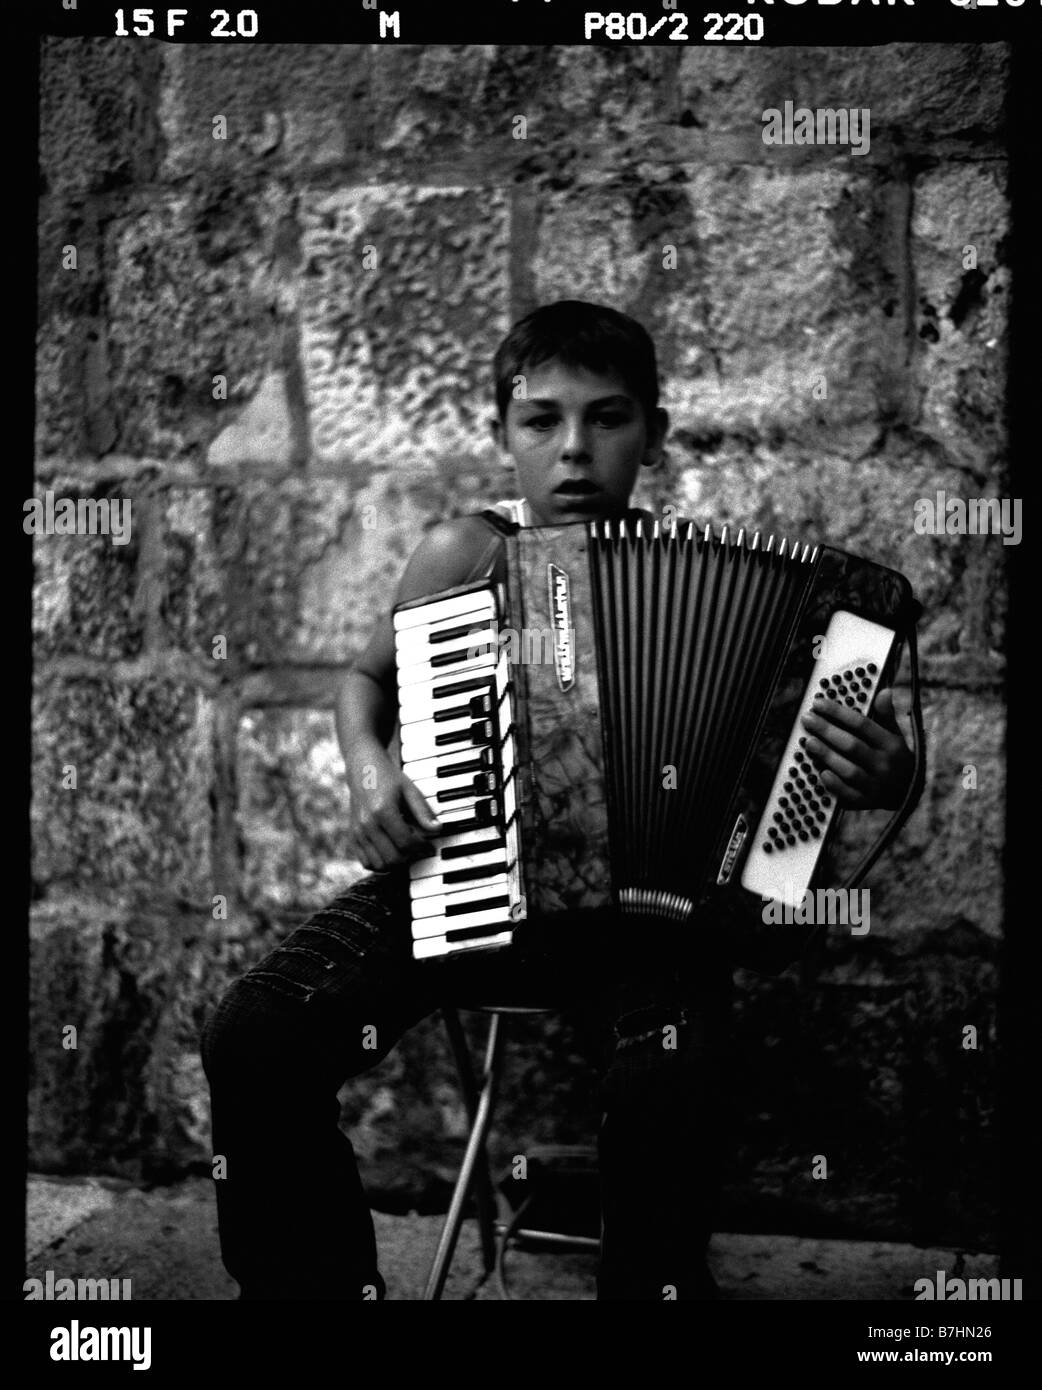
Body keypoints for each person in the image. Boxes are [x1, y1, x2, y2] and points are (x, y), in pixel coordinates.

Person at [201, 301, 914, 1300]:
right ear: (502, 434)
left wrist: (885, 777)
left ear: (652, 436)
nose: (573, 450)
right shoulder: (462, 556)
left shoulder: (770, 597)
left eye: (607, 418)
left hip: (660, 927)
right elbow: (362, 685)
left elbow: (847, 768)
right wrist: (372, 777)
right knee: (255, 1033)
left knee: (671, 1074)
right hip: (462, 883)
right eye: (540, 421)